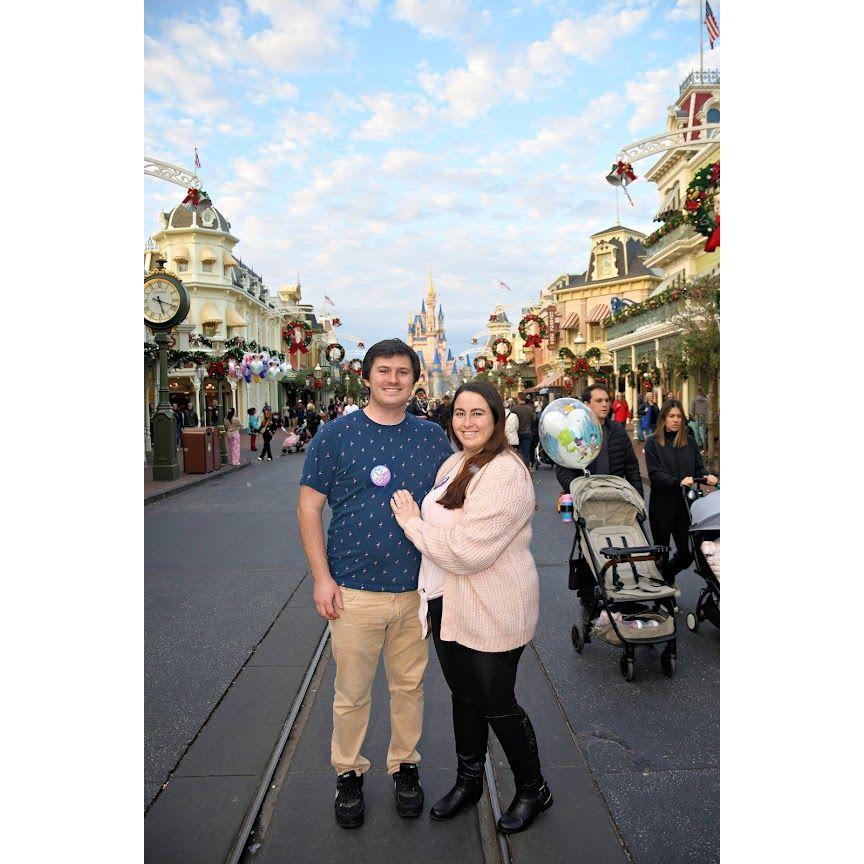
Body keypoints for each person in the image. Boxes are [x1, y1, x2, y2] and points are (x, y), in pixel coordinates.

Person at [297, 339, 453, 829]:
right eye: (383, 371)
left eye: (402, 372)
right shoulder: (336, 436)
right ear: (367, 377)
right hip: (355, 592)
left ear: (414, 380)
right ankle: (349, 772)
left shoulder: (431, 438)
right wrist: (322, 579)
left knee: (409, 686)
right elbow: (308, 507)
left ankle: (405, 766)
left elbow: (455, 498)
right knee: (352, 692)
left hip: (415, 591)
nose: (393, 379)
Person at [389, 381, 552, 834]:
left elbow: (468, 552)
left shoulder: (504, 472)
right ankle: (469, 781)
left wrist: (412, 526)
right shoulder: (456, 461)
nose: (467, 422)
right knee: (465, 696)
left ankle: (532, 788)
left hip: (491, 605)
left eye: (478, 413)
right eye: (460, 413)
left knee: (497, 702)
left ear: (497, 420)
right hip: (449, 601)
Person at [556, 384, 644, 628]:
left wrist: (638, 498)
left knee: (619, 545)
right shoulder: (575, 432)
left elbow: (632, 468)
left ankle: (623, 595)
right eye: (599, 400)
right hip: (586, 504)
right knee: (588, 550)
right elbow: (562, 467)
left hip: (615, 503)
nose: (605, 404)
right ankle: (587, 598)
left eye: (607, 400)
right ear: (587, 404)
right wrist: (577, 487)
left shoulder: (617, 432)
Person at [644, 399, 717, 585]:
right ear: (664, 418)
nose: (675, 420)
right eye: (671, 416)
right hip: (661, 506)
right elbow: (654, 474)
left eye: (679, 416)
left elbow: (698, 468)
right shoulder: (653, 443)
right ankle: (665, 599)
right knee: (661, 552)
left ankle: (665, 577)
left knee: (687, 553)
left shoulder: (690, 442)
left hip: (684, 506)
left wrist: (708, 476)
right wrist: (678, 482)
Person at [511, 393, 535, 469]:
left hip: (517, 433)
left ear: (518, 398)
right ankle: (526, 469)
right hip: (527, 432)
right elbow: (532, 421)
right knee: (526, 453)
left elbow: (512, 421)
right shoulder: (530, 409)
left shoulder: (514, 409)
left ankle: (518, 469)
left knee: (517, 453)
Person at [690, 386, 709, 450]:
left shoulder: (694, 400)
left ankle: (701, 447)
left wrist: (694, 416)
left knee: (698, 433)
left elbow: (692, 410)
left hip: (697, 418)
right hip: (706, 418)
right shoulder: (707, 400)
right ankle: (705, 447)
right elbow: (709, 409)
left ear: (697, 392)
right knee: (703, 432)